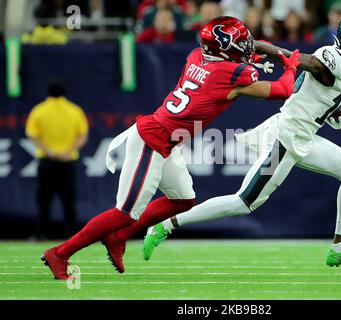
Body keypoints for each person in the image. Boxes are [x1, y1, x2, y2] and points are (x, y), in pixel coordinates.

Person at [41, 16, 301, 280]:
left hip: (167, 140)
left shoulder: (196, 56)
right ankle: (60, 253)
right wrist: (290, 66)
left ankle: (120, 236)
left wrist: (252, 58)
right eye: (241, 42)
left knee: (183, 199)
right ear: (224, 48)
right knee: (125, 212)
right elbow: (282, 89)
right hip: (152, 140)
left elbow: (230, 67)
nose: (247, 45)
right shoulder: (231, 74)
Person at [145, 13, 341, 267]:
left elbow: (312, 85)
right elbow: (299, 61)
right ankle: (165, 224)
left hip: (302, 137)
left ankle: (340, 247)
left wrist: (334, 107)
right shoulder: (333, 59)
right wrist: (258, 46)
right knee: (243, 202)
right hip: (285, 140)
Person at [25, 80, 89, 240]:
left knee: (44, 199)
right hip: (67, 161)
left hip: (47, 161)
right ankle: (73, 235)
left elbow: (32, 134)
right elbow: (82, 135)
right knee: (69, 200)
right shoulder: (74, 110)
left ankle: (40, 233)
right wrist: (69, 151)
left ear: (48, 92)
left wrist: (49, 151)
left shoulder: (39, 110)